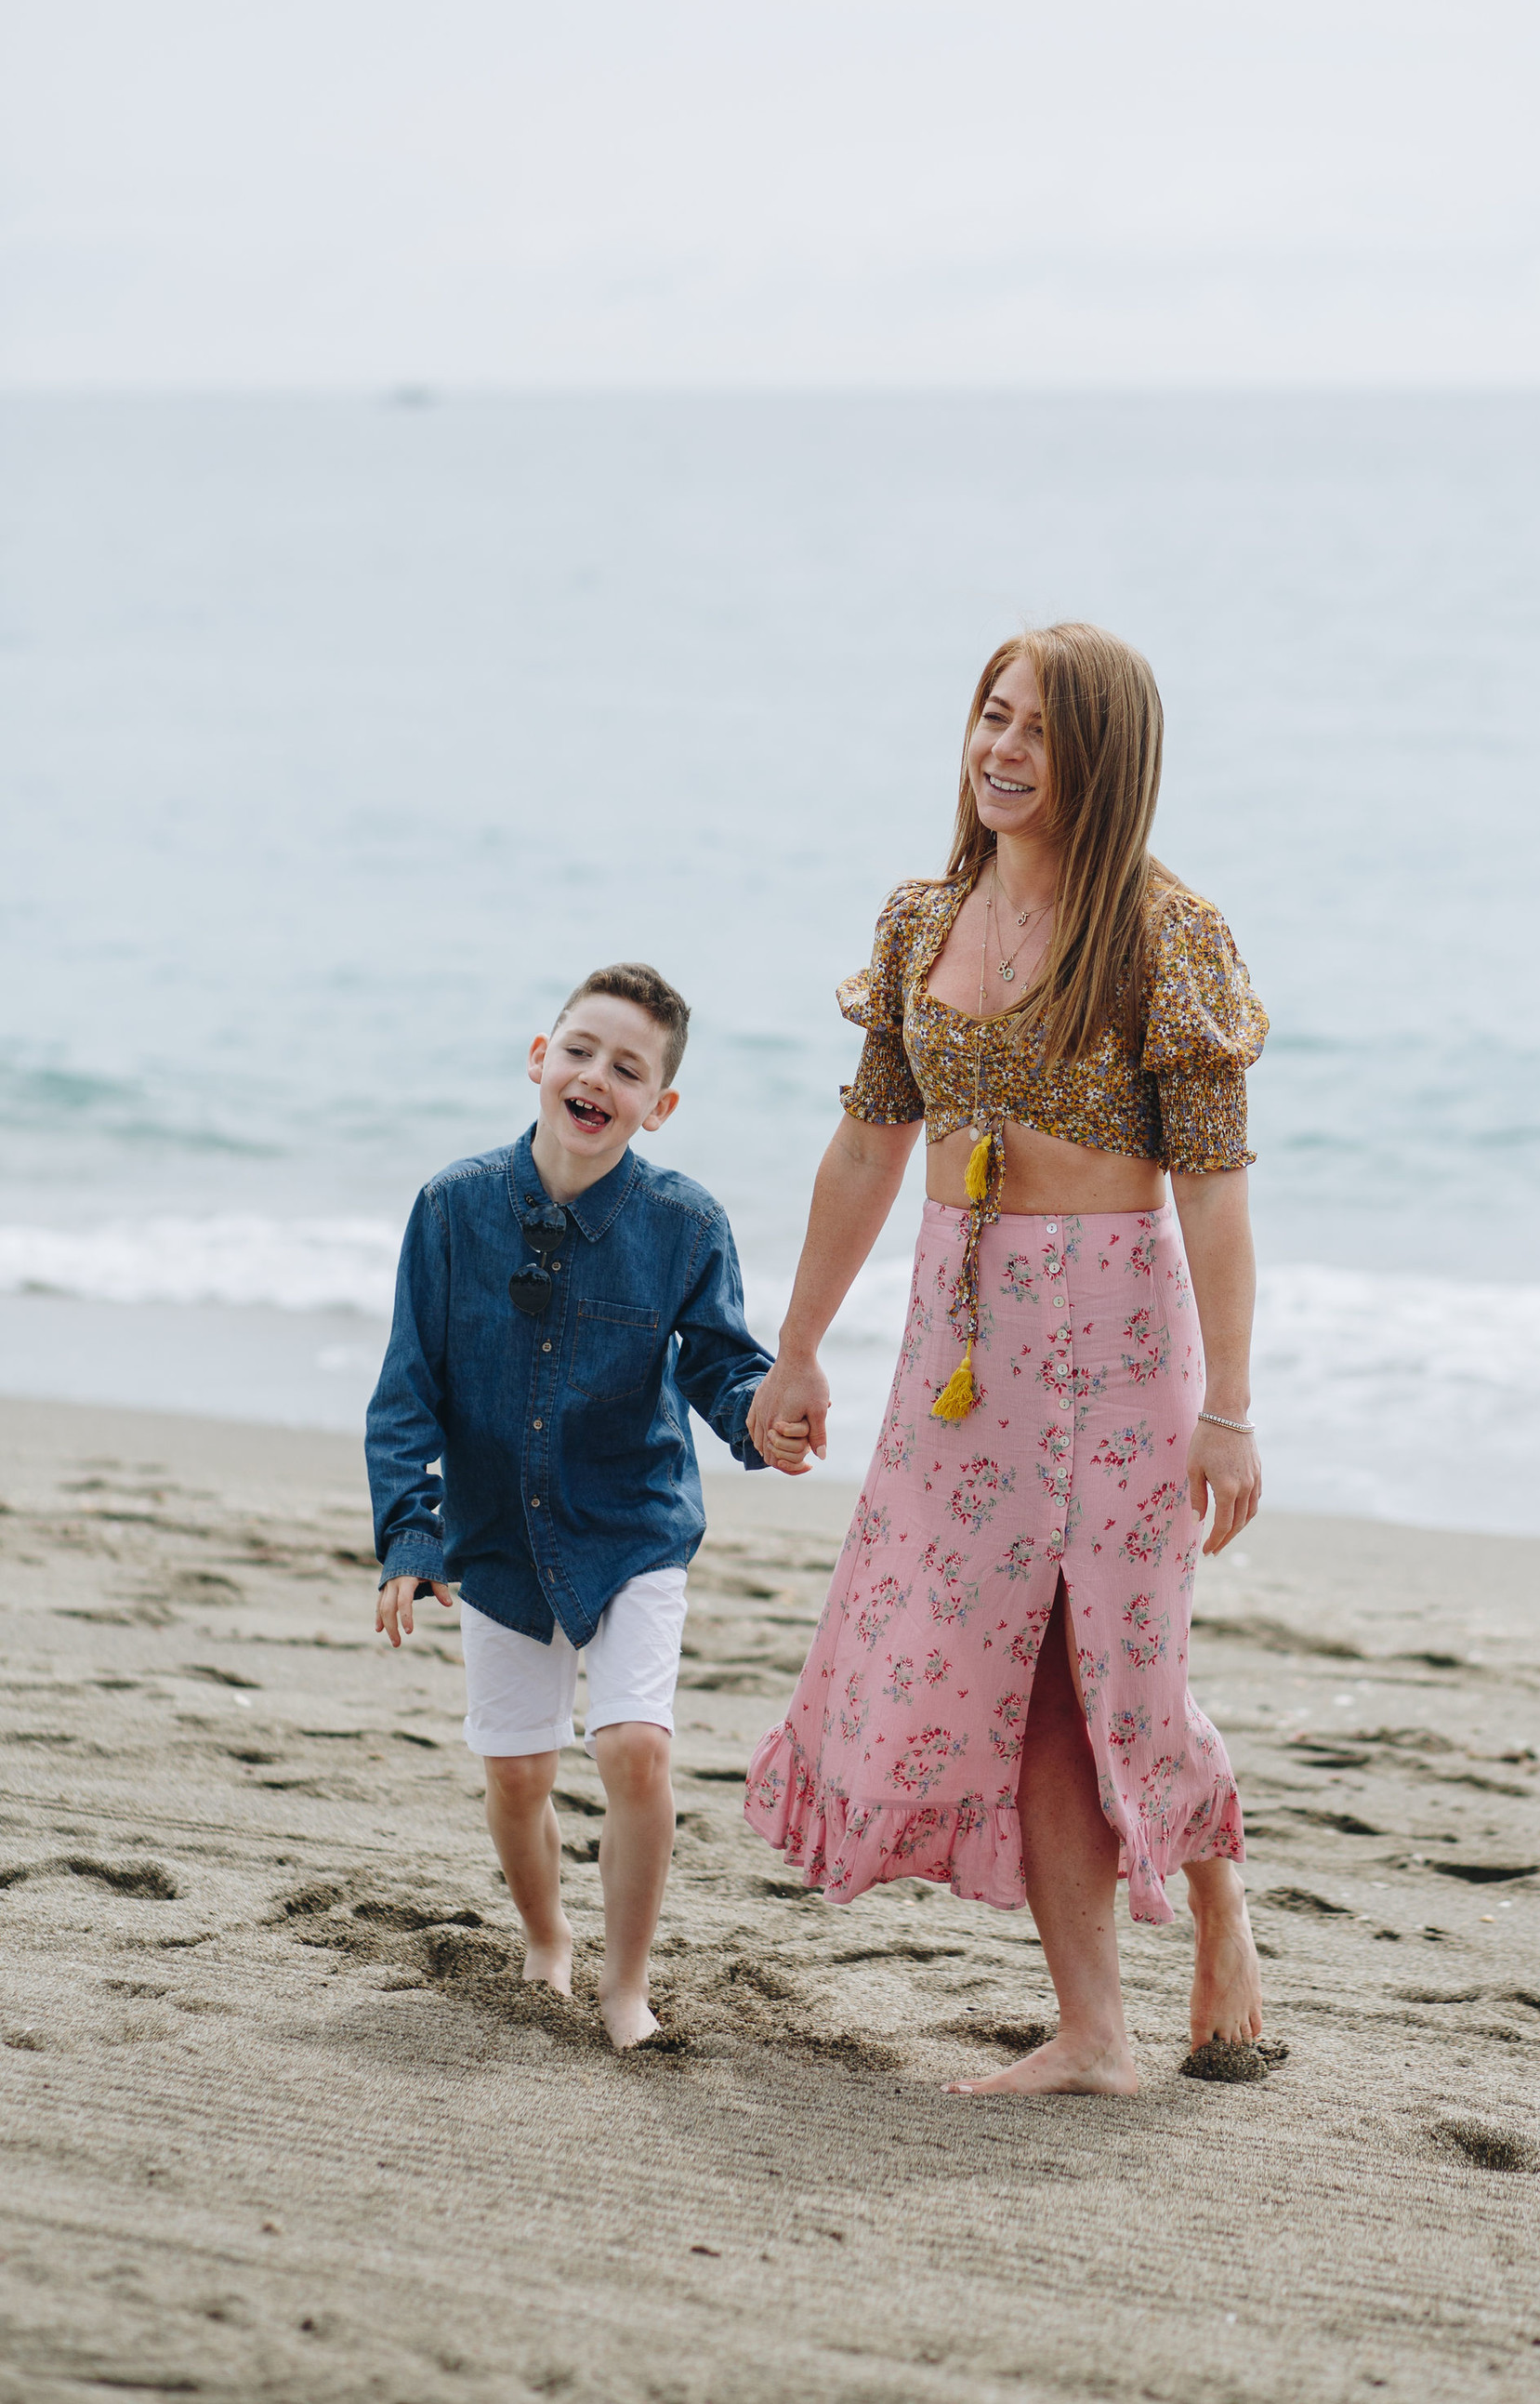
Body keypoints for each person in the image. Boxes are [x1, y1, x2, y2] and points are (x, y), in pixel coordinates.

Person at [744, 625, 1268, 2094]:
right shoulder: (923, 920)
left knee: (1122, 1671)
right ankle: (1100, 2029)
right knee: (1003, 1669)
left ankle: (1208, 1901)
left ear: (1104, 757)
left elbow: (1218, 1191)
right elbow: (865, 1145)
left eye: (1037, 729)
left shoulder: (1170, 935)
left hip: (1114, 1334)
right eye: (990, 717)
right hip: (960, 1333)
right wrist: (797, 1348)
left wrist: (1230, 1408)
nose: (1003, 751)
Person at [368, 962, 803, 2049]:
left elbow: (720, 1367)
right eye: (581, 1051)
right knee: (517, 1773)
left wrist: (765, 1418)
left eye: (628, 1068)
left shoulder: (683, 1223)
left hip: (632, 1526)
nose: (597, 1077)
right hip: (498, 1532)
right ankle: (547, 1938)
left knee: (633, 1751)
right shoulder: (452, 1208)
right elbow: (407, 1389)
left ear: (659, 1104)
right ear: (538, 1059)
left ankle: (626, 1985)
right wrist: (408, 1538)